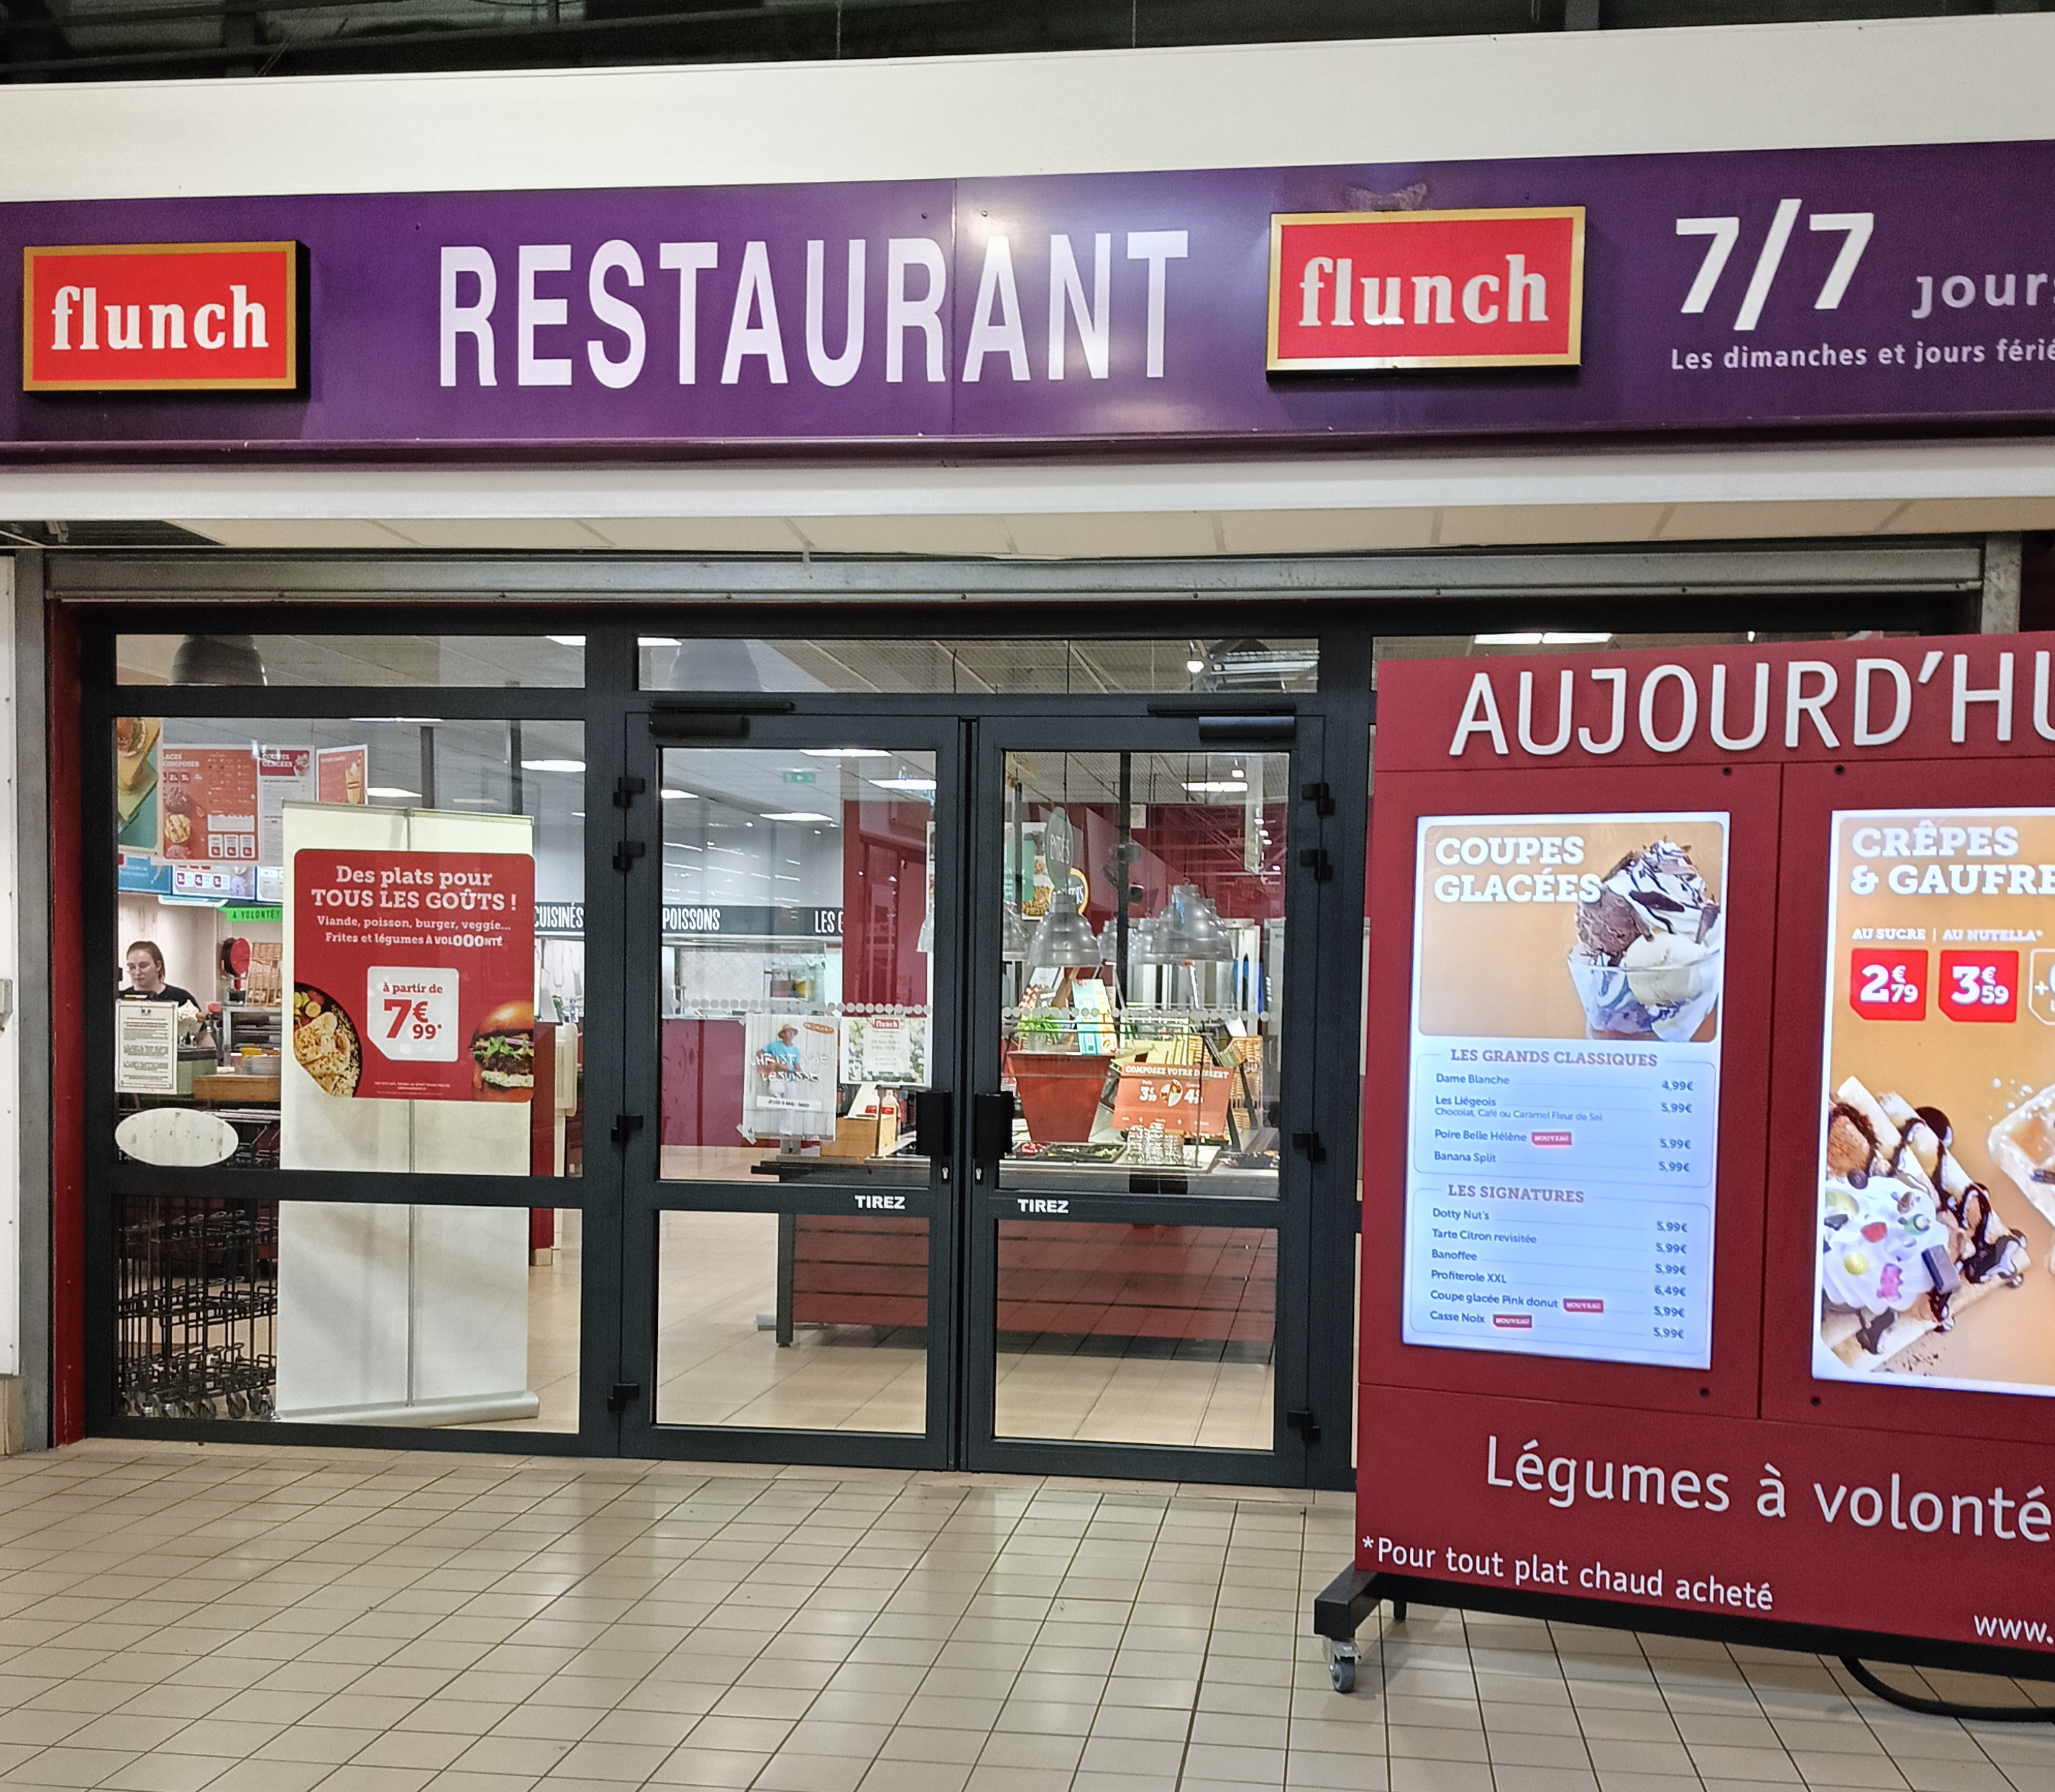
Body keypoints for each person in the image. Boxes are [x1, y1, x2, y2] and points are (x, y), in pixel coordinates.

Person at [119, 941, 212, 1042]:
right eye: (132, 967)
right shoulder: (121, 999)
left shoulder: (181, 999)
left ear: (158, 966)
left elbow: (203, 1038)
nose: (137, 972)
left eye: (143, 966)